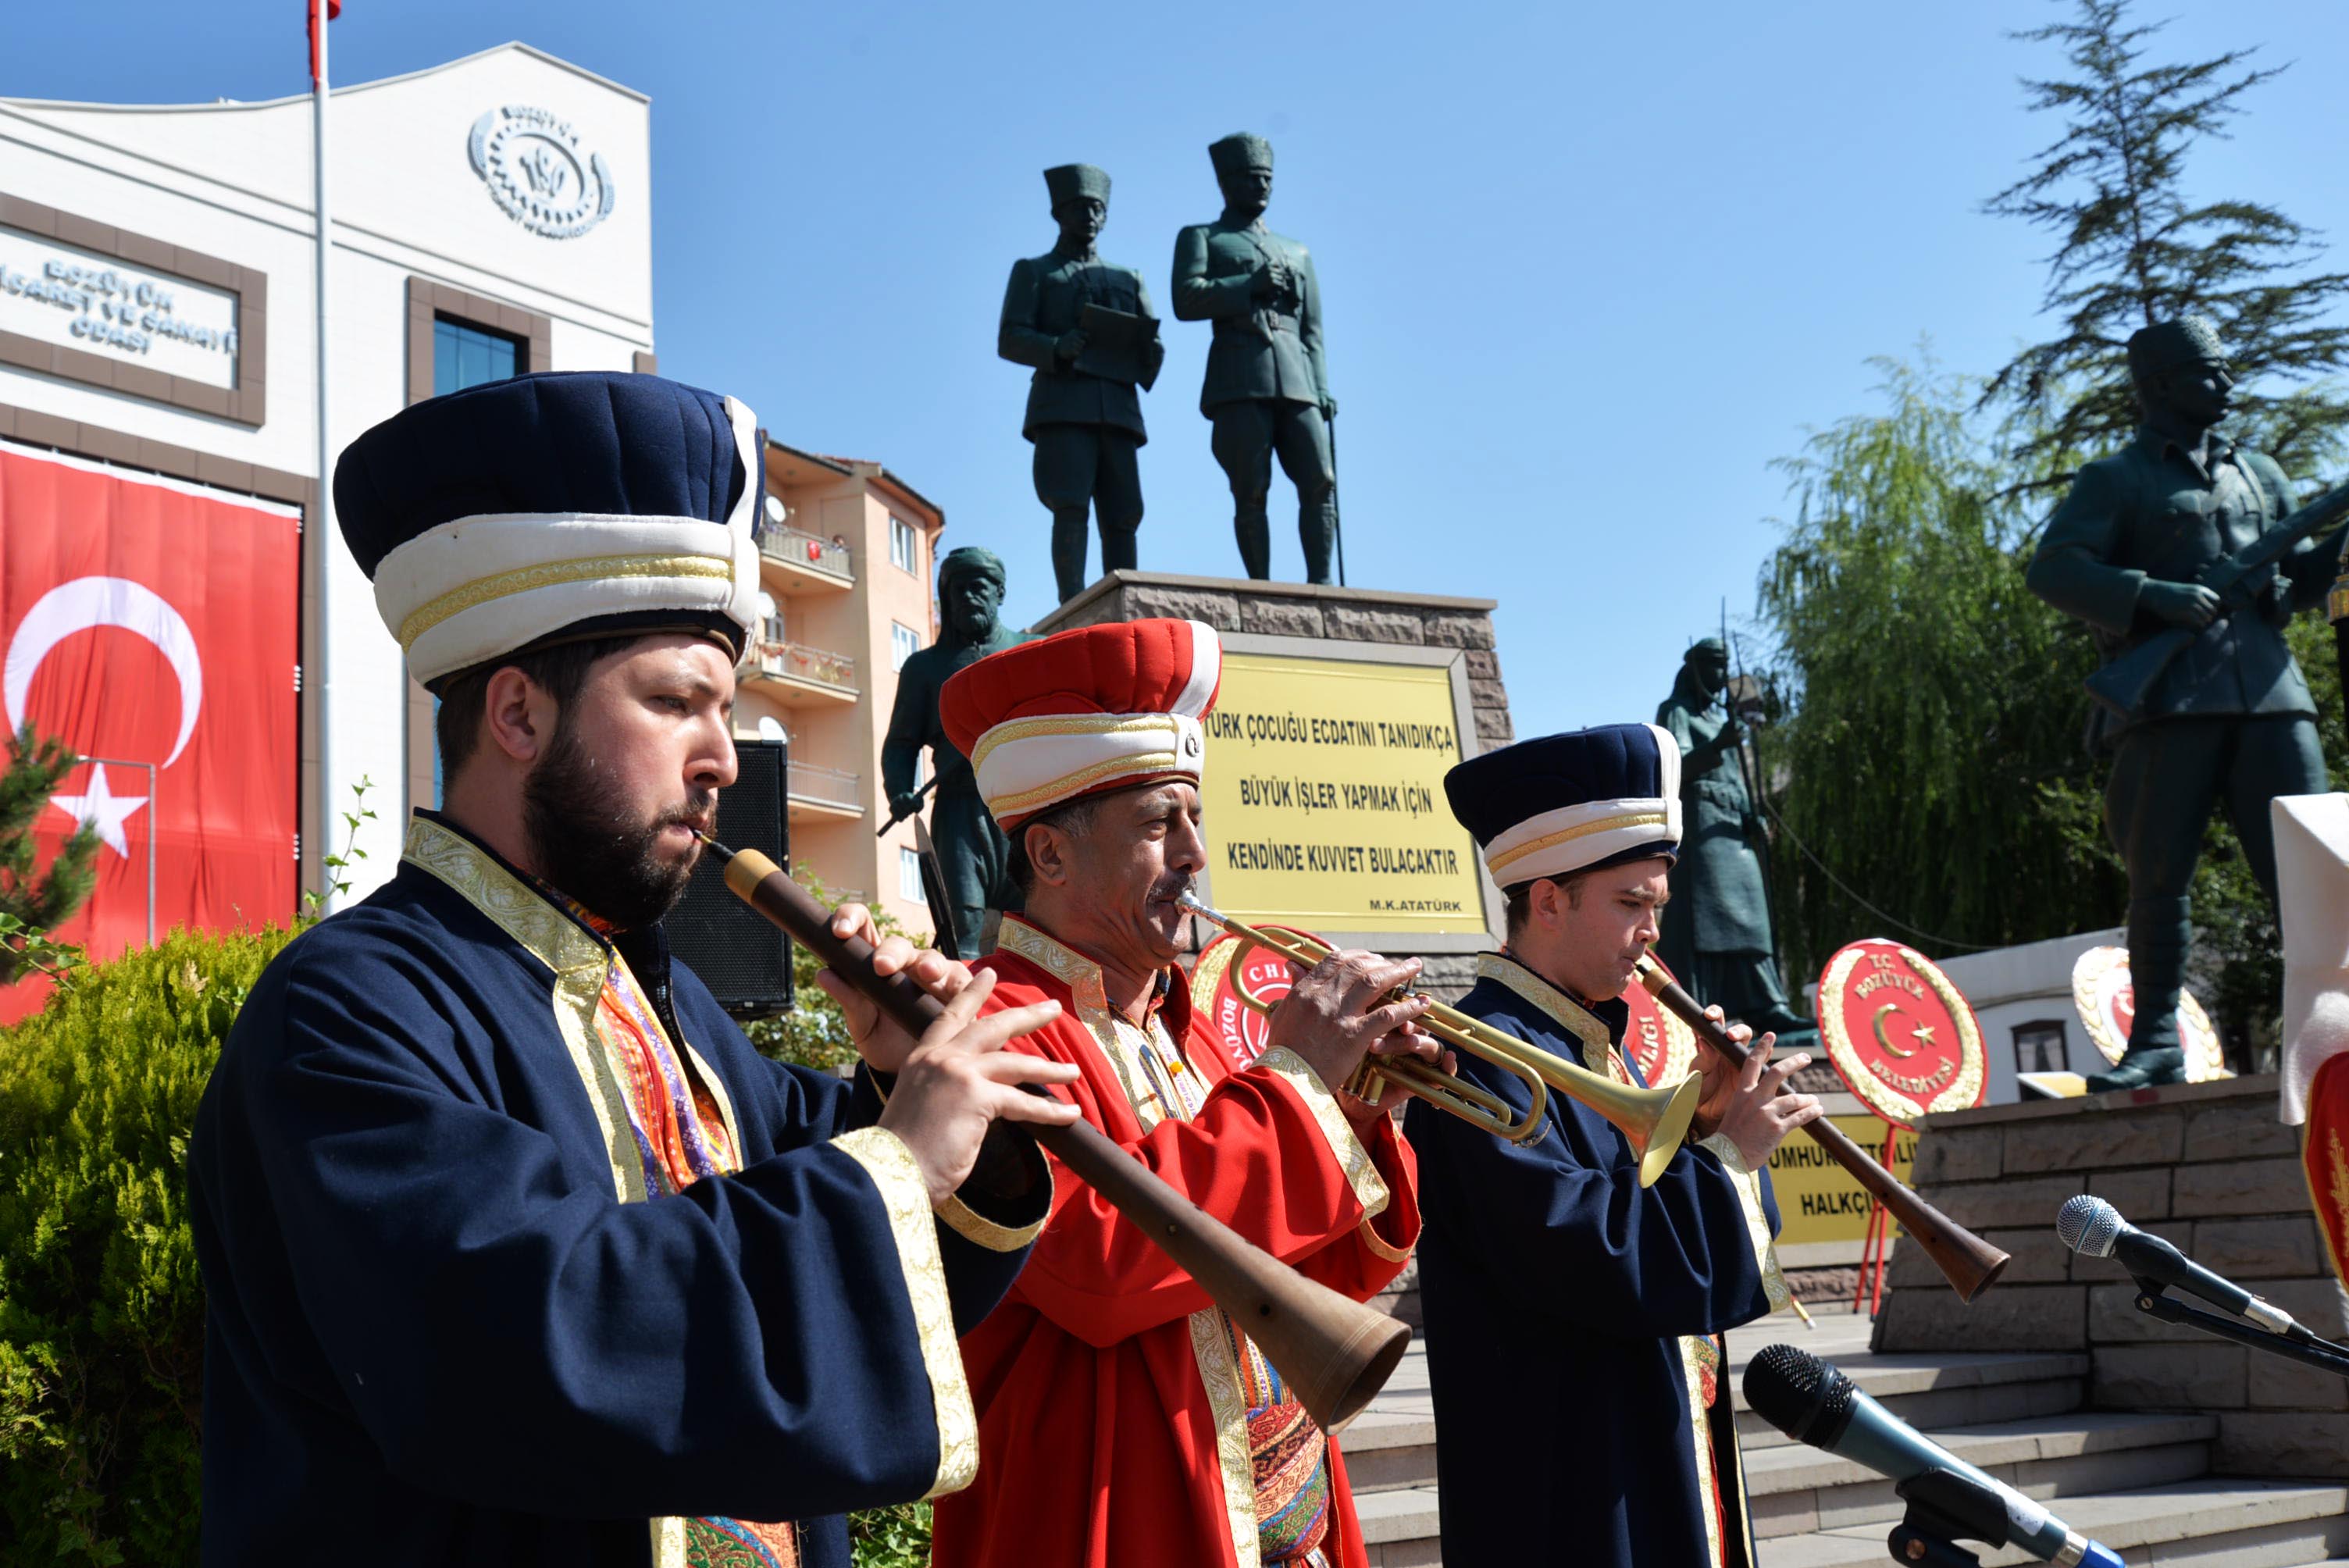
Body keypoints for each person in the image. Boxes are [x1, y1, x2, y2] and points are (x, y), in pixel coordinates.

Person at [188, 372, 1082, 1567]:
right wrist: (894, 1158)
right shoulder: (348, 1011)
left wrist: (900, 1084)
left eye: (731, 709)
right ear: (517, 714)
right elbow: (531, 1339)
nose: (724, 757)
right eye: (677, 703)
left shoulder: (664, 1005)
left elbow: (831, 1180)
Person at [925, 617, 1436, 1568]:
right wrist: (1294, 1088)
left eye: (1196, 819)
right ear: (1048, 856)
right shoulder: (987, 1024)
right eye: (1161, 824)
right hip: (1118, 1521)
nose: (1196, 854)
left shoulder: (1183, 1019)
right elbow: (1106, 1269)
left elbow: (1312, 1288)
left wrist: (1357, 1116)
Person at [1407, 723, 1822, 1568]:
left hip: (1642, 1442)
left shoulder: (1599, 1043)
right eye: (1630, 904)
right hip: (1565, 1481)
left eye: (1656, 908)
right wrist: (1728, 1158)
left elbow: (1655, 1221)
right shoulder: (1481, 1056)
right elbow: (1590, 1253)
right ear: (1548, 899)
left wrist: (1706, 1120)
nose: (1650, 934)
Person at [2028, 315, 2340, 1089]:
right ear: (2161, 384)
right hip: (2169, 700)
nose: (2227, 384)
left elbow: (2297, 584)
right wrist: (2154, 596)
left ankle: (2333, 1025)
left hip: (2269, 693)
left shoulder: (2260, 474)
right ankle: (2157, 1038)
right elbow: (2054, 569)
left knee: (2316, 871)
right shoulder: (2117, 478)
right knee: (2158, 879)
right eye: (2210, 372)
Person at [1172, 133, 1339, 583]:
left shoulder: (1297, 250)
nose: (1261, 186)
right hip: (1240, 373)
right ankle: (1260, 585)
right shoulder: (1204, 238)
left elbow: (1313, 329)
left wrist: (1321, 386)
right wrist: (1249, 286)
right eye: (1250, 178)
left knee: (1320, 479)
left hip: (1297, 376)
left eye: (1266, 178)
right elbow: (1186, 299)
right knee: (1250, 487)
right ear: (1227, 185)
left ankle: (1322, 583)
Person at [997, 162, 1164, 603]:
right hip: (1064, 405)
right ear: (1059, 213)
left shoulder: (1130, 278)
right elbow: (1010, 337)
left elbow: (1151, 337)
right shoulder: (1035, 272)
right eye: (1079, 208)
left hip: (1118, 407)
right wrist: (1056, 346)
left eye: (1096, 209)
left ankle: (1124, 596)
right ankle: (1071, 601)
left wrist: (1150, 350)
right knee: (1070, 505)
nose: (1089, 216)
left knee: (1124, 513)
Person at [1655, 638, 1812, 1042]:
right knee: (1709, 920)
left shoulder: (1723, 720)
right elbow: (1676, 769)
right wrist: (1719, 744)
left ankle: (1768, 1004)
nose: (1720, 676)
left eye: (1724, 668)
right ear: (1695, 669)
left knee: (1752, 917)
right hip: (1702, 827)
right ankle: (1702, 1004)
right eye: (1713, 666)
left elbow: (1738, 780)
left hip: (1733, 829)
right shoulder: (1677, 713)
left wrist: (1751, 816)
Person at [880, 546, 1028, 951]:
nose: (967, 597)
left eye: (978, 587)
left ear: (1000, 592)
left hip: (1024, 804)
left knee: (1037, 921)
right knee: (962, 928)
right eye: (957, 590)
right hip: (958, 810)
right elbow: (901, 742)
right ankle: (966, 1007)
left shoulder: (1031, 653)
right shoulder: (923, 668)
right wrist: (898, 791)